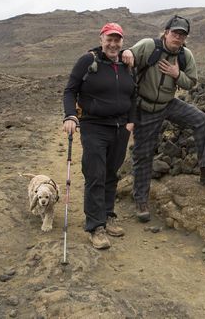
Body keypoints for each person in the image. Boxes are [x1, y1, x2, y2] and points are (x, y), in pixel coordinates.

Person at [121, 15, 205, 222]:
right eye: (175, 33)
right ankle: (141, 199)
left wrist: (177, 74)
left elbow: (191, 83)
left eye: (182, 34)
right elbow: (127, 54)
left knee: (201, 120)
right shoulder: (150, 46)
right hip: (145, 108)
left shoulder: (186, 55)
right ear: (166, 32)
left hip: (168, 104)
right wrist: (128, 52)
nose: (178, 37)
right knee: (143, 155)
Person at [62, 22, 136, 250]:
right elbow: (70, 90)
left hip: (120, 127)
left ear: (122, 41)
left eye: (117, 40)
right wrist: (70, 115)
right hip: (94, 126)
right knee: (95, 173)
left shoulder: (126, 63)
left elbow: (133, 94)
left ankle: (108, 214)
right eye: (109, 39)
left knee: (111, 173)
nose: (113, 44)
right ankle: (96, 226)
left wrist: (131, 121)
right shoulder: (88, 61)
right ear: (101, 39)